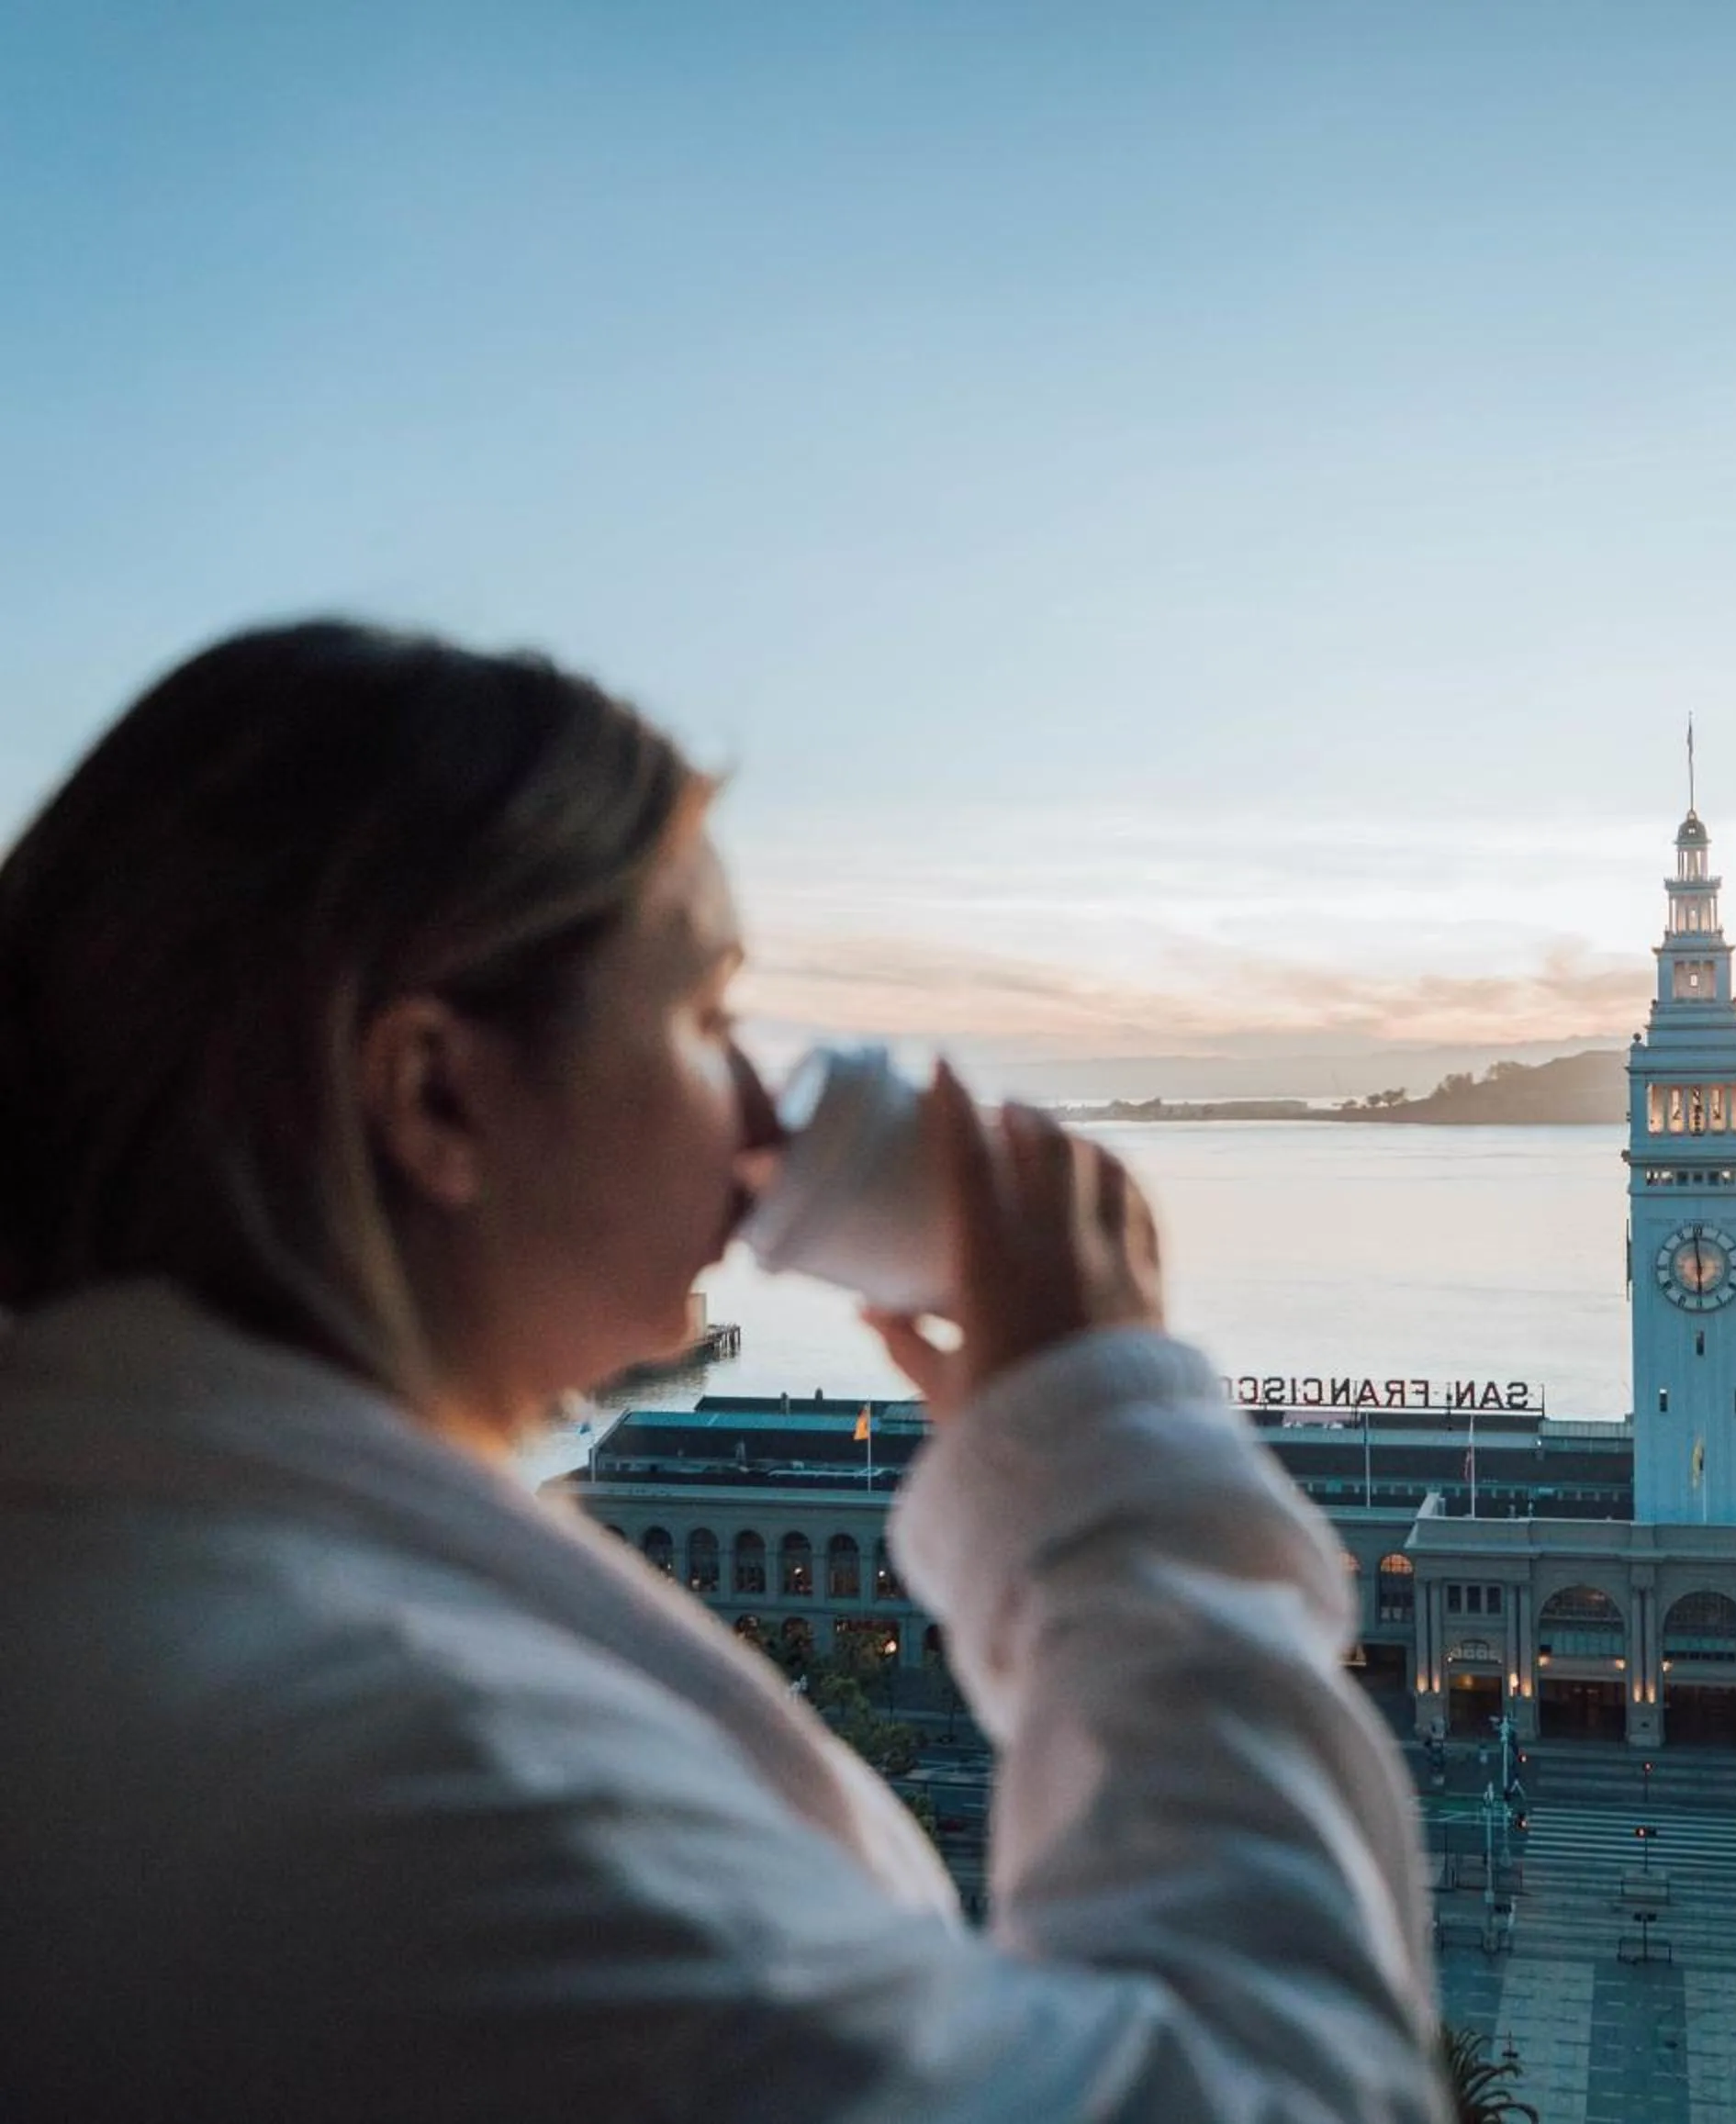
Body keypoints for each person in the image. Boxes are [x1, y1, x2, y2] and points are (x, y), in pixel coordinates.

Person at [0, 622, 1445, 2121]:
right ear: (436, 1093)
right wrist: (1105, 1457)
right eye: (701, 1015)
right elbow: (1280, 2090)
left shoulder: (116, 1572)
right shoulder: (456, 1806)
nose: (760, 1103)